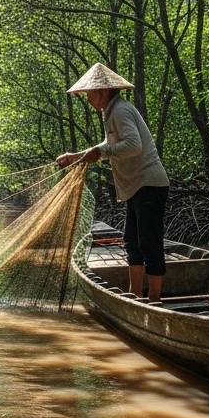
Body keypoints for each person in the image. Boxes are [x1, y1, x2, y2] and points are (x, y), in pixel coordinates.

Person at [56, 63, 170, 302]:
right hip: (135, 187)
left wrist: (102, 151)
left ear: (104, 91)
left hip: (149, 184)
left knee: (149, 244)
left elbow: (134, 145)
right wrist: (77, 156)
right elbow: (106, 146)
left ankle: (155, 301)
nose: (88, 98)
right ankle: (135, 295)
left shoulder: (120, 110)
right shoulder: (109, 111)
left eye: (89, 93)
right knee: (132, 243)